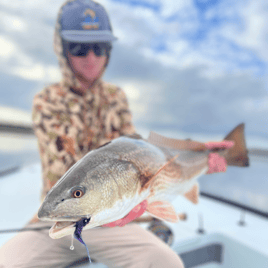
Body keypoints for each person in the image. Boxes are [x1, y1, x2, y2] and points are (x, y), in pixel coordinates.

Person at [0, 0, 231, 267]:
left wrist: (197, 150)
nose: (91, 57)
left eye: (100, 47)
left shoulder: (115, 97)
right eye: (79, 48)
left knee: (166, 262)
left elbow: (138, 148)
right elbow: (68, 166)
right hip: (60, 220)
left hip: (116, 218)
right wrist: (95, 200)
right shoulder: (47, 100)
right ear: (62, 50)